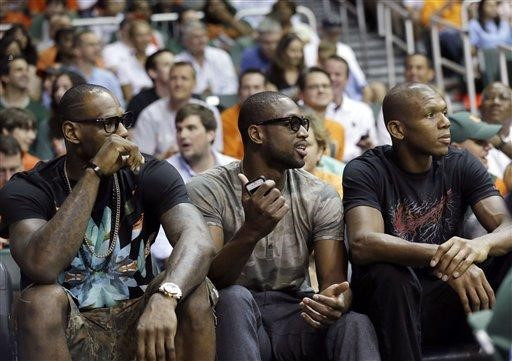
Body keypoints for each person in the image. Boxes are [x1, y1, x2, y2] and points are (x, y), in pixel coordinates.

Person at [0, 84, 217, 361]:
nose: (124, 133)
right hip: (70, 327)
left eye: (123, 121)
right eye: (109, 125)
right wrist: (95, 173)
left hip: (142, 320)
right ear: (71, 132)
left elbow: (198, 240)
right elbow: (42, 266)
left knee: (193, 288)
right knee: (40, 301)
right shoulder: (30, 187)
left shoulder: (149, 172)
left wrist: (166, 296)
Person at [187, 91, 380, 361]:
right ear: (256, 134)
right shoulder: (207, 189)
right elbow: (208, 281)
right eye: (291, 124)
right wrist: (251, 230)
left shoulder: (319, 194)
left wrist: (337, 302)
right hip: (232, 317)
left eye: (303, 124)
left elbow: (334, 284)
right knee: (233, 299)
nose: (303, 132)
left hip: (295, 311)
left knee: (354, 323)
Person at [343, 82, 512, 361]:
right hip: (395, 304)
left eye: (444, 112)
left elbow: (506, 226)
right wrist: (447, 261)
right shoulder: (366, 170)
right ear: (397, 129)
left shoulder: (460, 163)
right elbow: (363, 242)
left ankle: (502, 349)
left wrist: (478, 247)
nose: (445, 123)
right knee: (389, 273)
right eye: (431, 115)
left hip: (453, 297)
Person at [132, 62, 223, 158]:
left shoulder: (209, 111)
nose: (178, 83)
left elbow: (217, 152)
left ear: (194, 83)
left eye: (184, 78)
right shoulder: (150, 114)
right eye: (173, 78)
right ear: (167, 82)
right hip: (163, 170)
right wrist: (166, 157)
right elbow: (140, 160)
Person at [322, 57, 376, 162]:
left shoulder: (363, 111)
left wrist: (368, 146)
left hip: (357, 167)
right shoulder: (308, 110)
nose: (332, 78)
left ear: (347, 79)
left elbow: (374, 145)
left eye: (337, 74)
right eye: (328, 74)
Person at [167, 103, 236, 183]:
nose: (182, 135)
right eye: (179, 129)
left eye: (191, 128)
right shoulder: (166, 172)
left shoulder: (233, 169)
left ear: (210, 135)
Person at [0, 55, 52, 160]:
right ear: (5, 77)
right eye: (19, 70)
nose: (25, 74)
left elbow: (44, 155)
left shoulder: (41, 112)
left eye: (27, 70)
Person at [176, 21, 238, 96]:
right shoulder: (178, 61)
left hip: (223, 102)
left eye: (203, 36)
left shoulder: (221, 55)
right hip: (192, 103)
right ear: (185, 41)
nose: (201, 40)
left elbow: (231, 85)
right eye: (196, 37)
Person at [298, 66, 346, 161]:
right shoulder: (295, 127)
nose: (321, 90)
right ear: (301, 94)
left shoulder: (338, 128)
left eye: (325, 86)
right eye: (313, 87)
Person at [68, 30, 125, 107]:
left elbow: (120, 106)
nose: (98, 48)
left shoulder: (108, 77)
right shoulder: (66, 77)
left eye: (98, 44)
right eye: (91, 45)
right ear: (76, 50)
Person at [221, 69, 267, 160]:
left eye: (256, 87)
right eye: (246, 87)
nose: (251, 92)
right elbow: (229, 156)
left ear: (265, 89)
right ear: (239, 90)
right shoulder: (227, 117)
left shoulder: (276, 115)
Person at [127, 49, 175, 125]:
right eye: (167, 65)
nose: (174, 69)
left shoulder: (190, 97)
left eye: (175, 64)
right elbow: (129, 132)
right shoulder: (139, 102)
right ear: (153, 72)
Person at [302, 113, 343, 196]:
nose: (300, 151)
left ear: (320, 151)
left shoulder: (336, 185)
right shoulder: (273, 182)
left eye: (305, 145)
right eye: (294, 144)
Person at [116, 20, 155, 101]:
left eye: (146, 35)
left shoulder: (158, 56)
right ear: (131, 38)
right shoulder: (124, 64)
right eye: (139, 35)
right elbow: (128, 97)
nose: (144, 39)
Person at [481, 83, 512, 179]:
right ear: (481, 105)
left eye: (503, 98)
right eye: (489, 98)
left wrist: (500, 143)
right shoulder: (470, 140)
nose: (495, 102)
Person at [266, 32, 305, 99]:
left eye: (300, 50)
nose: (297, 55)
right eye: (293, 50)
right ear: (282, 52)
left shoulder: (305, 73)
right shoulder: (272, 74)